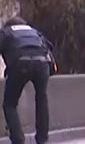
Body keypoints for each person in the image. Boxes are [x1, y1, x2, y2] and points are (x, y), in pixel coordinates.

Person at [0, 16, 54, 144]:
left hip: (20, 63)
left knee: (10, 104)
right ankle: (42, 139)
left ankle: (18, 139)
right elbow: (49, 49)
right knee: (41, 98)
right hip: (42, 63)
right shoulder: (35, 32)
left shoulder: (6, 32)